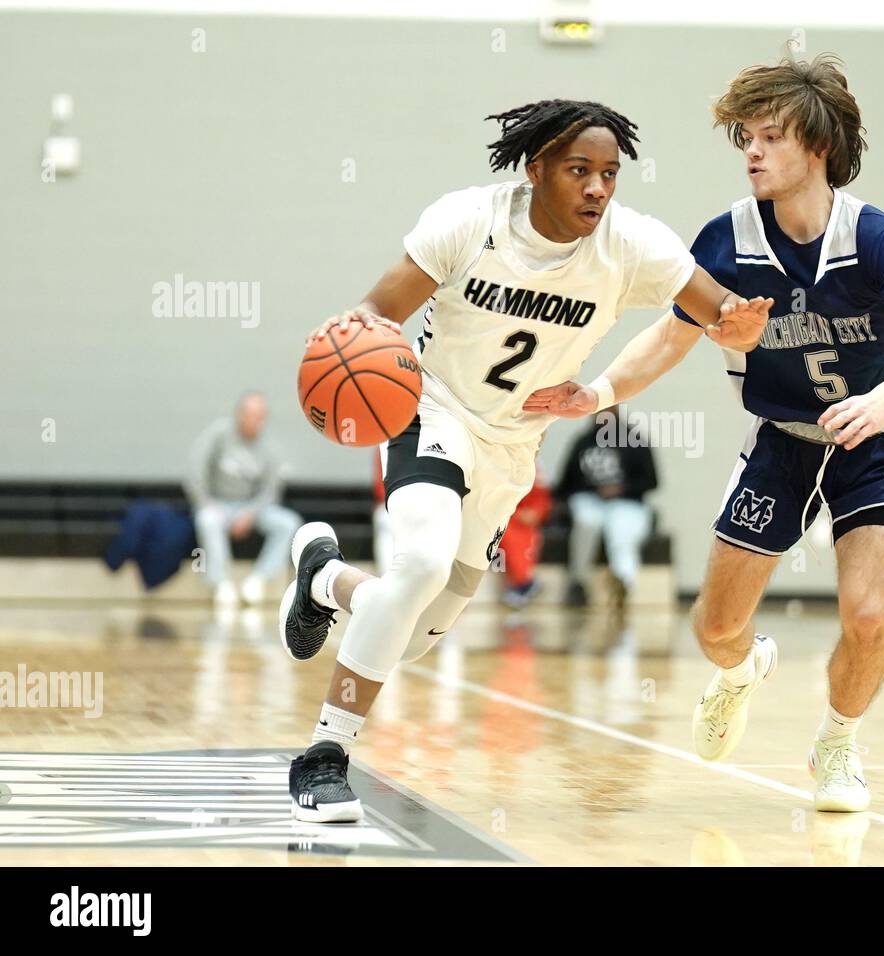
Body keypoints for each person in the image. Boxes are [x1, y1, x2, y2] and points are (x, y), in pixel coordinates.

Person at [278, 99, 773, 822]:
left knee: (412, 639)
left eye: (610, 174)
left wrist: (744, 325)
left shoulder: (632, 245)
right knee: (417, 563)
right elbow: (379, 313)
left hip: (513, 448)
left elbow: (722, 313)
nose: (599, 188)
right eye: (581, 171)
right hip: (433, 409)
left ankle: (326, 579)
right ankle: (324, 755)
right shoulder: (467, 222)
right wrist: (348, 332)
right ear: (536, 168)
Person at [532, 53, 884, 812]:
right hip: (782, 440)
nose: (751, 151)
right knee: (715, 626)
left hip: (874, 443)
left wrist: (882, 402)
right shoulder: (727, 240)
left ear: (817, 145)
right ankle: (740, 671)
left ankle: (838, 745)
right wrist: (594, 393)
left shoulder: (877, 237)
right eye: (745, 137)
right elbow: (668, 338)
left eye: (770, 136)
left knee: (866, 613)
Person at [185, 392, 300, 607]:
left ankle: (258, 580)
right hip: (218, 504)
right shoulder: (218, 435)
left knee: (288, 522)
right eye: (249, 414)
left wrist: (250, 514)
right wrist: (206, 502)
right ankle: (222, 584)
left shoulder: (269, 448)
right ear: (239, 414)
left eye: (259, 416)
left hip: (252, 508)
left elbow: (270, 491)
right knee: (207, 520)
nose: (253, 420)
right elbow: (195, 471)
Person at [554, 406, 658, 608]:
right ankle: (578, 583)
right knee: (587, 522)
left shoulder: (634, 440)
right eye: (599, 410)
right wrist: (592, 489)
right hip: (590, 500)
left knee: (621, 532)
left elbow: (652, 481)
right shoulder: (583, 442)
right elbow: (565, 484)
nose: (604, 415)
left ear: (617, 411)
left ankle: (623, 582)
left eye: (609, 409)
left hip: (627, 502)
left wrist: (621, 488)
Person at [498, 475, 551, 608]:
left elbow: (540, 497)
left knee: (517, 535)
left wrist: (536, 511)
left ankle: (523, 583)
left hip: (518, 518)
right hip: (496, 512)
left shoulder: (532, 466)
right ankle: (524, 584)